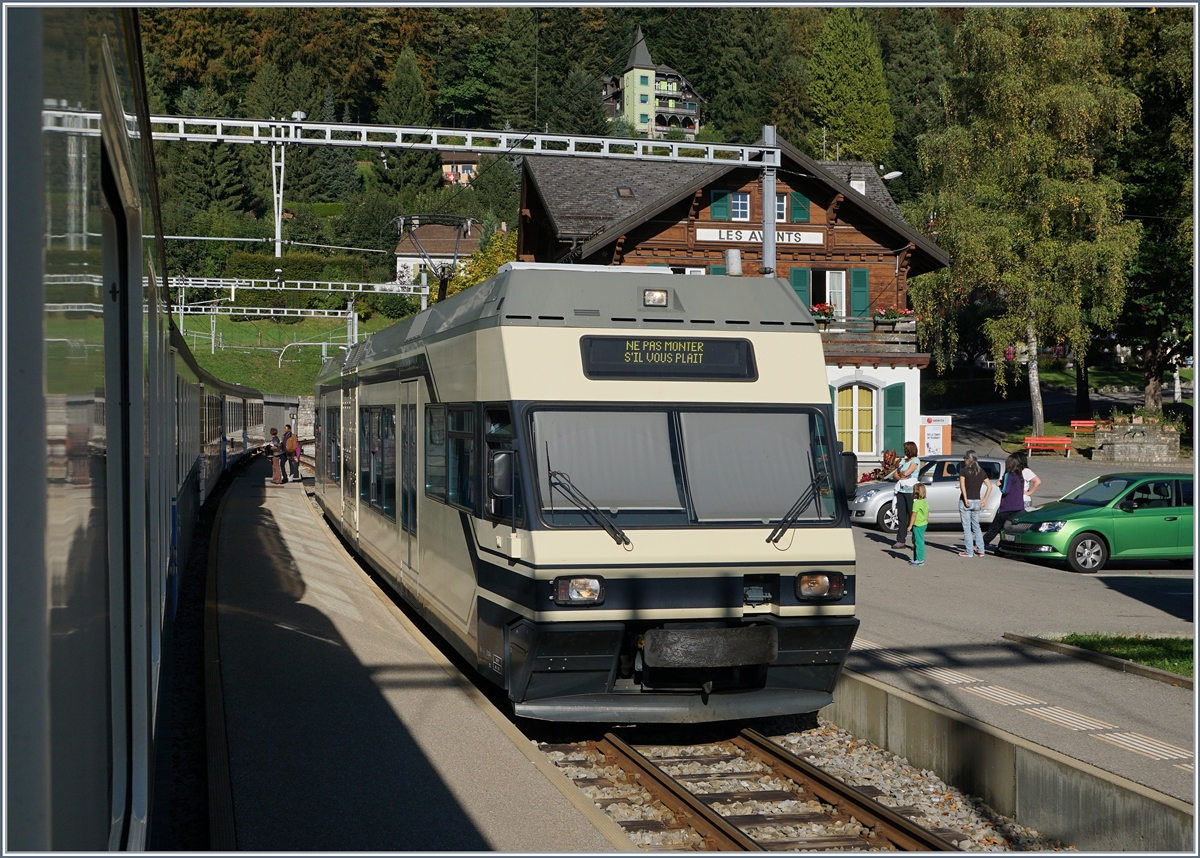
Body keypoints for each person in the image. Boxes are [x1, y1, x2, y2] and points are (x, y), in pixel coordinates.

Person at [981, 453, 1026, 552]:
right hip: (1018, 507)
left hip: (1007, 507)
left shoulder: (1008, 475)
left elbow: (1005, 490)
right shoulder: (1019, 476)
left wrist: (999, 485)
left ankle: (981, 545)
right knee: (1007, 529)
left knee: (994, 528)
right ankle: (1002, 549)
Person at [957, 450, 992, 557]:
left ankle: (969, 551)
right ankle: (981, 550)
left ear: (968, 459)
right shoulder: (981, 472)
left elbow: (962, 487)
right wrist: (985, 499)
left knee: (967, 527)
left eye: (965, 458)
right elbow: (990, 486)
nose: (964, 460)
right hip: (977, 501)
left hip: (966, 501)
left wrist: (966, 499)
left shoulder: (964, 471)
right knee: (976, 526)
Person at [890, 441, 921, 550]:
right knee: (901, 516)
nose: (904, 451)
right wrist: (900, 477)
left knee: (913, 515)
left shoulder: (916, 461)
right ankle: (900, 540)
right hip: (901, 491)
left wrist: (901, 475)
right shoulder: (903, 461)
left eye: (905, 449)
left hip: (911, 492)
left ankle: (916, 541)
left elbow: (906, 473)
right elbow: (895, 474)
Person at [908, 483, 929, 566]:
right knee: (917, 541)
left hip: (918, 525)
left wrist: (910, 525)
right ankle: (916, 558)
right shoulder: (924, 502)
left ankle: (920, 559)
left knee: (918, 542)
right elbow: (927, 513)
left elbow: (914, 515)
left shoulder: (917, 503)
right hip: (923, 523)